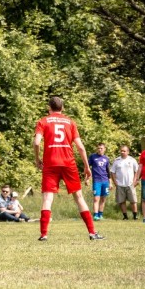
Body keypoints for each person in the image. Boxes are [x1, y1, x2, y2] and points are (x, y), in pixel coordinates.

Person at [32, 96, 103, 241]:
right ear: (62, 108)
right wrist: (86, 166)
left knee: (47, 198)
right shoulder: (70, 122)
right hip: (68, 163)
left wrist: (37, 158)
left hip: (50, 163)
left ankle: (44, 234)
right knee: (79, 197)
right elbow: (81, 147)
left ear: (49, 108)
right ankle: (92, 232)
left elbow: (36, 142)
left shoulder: (43, 121)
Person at [111, 145, 139, 220]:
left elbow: (136, 171)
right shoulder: (117, 160)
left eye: (124, 151)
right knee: (121, 201)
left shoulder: (132, 160)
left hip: (130, 184)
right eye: (121, 151)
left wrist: (135, 181)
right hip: (120, 184)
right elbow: (112, 172)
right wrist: (115, 182)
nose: (122, 152)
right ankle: (125, 216)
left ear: (128, 152)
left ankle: (135, 216)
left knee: (133, 201)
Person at [87, 143, 112, 221]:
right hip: (97, 181)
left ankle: (100, 214)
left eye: (101, 148)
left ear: (104, 149)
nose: (100, 150)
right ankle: (95, 215)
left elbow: (108, 171)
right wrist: (87, 178)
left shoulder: (106, 158)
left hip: (105, 181)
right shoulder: (93, 157)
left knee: (103, 199)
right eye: (98, 148)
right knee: (96, 198)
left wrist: (110, 182)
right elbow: (87, 168)